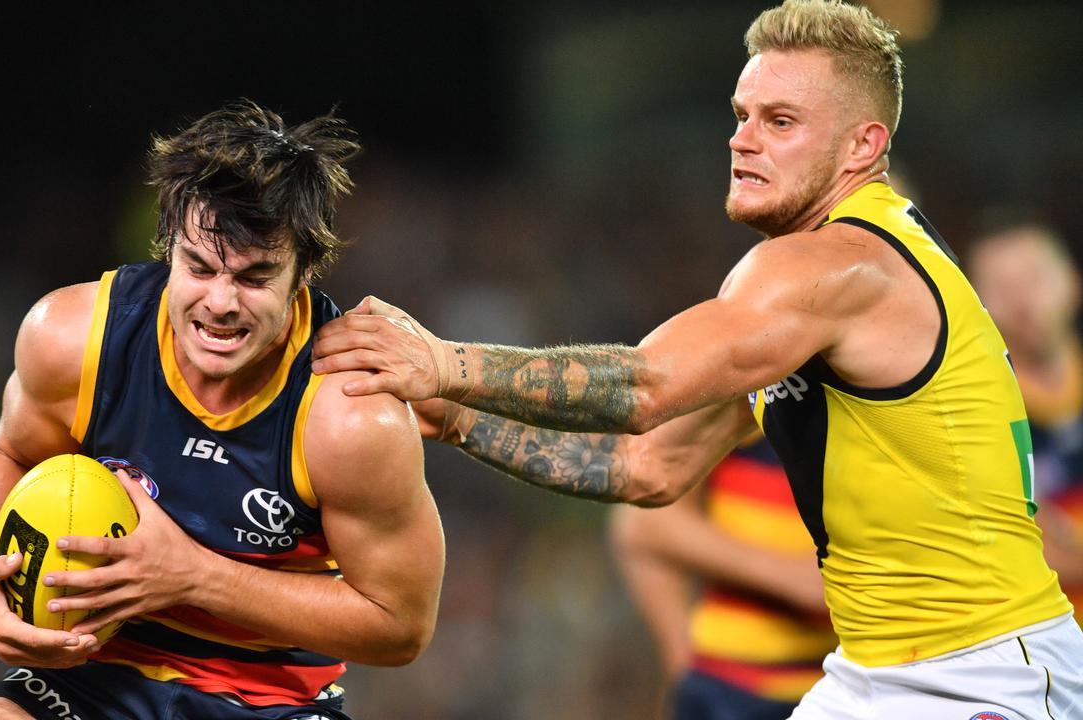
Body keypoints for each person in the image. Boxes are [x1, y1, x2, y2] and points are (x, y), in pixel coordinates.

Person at [312, 1, 1083, 716]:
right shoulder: (813, 303)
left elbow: (645, 384)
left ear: (864, 146)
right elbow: (650, 469)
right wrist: (459, 423)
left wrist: (443, 361)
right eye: (742, 115)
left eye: (781, 121)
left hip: (983, 673)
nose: (741, 138)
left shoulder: (837, 263)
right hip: (882, 674)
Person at [0, 100, 445, 720]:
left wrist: (193, 576)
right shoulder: (75, 341)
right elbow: (11, 452)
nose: (220, 302)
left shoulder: (349, 414)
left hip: (273, 703)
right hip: (90, 679)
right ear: (168, 248)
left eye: (255, 277)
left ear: (305, 272)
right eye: (199, 267)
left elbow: (402, 627)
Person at [610, 436, 835, 720]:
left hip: (845, 681)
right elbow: (641, 524)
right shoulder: (750, 409)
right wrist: (790, 577)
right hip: (731, 686)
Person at [969, 219, 1083, 626]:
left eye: (1035, 277)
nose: (1023, 301)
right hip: (1049, 656)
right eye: (1001, 287)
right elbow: (1026, 554)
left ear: (1072, 279)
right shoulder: (976, 416)